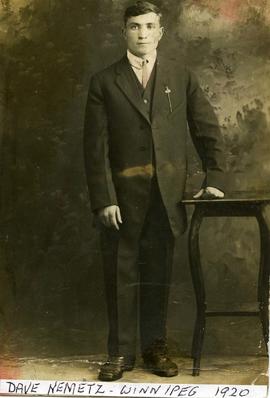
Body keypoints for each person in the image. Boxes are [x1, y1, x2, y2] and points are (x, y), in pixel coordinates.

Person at [84, 1, 225, 381]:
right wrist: (105, 198)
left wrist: (214, 177)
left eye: (149, 26)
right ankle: (119, 353)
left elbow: (206, 128)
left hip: (166, 198)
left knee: (159, 274)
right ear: (124, 32)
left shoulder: (181, 76)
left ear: (161, 32)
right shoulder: (104, 82)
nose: (142, 33)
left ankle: (154, 350)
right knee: (120, 272)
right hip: (122, 202)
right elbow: (94, 149)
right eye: (134, 26)